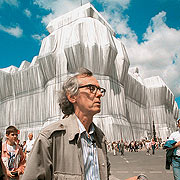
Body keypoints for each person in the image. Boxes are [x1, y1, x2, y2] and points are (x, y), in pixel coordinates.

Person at [22, 68, 111, 180]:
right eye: (92, 89)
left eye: (100, 90)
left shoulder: (100, 137)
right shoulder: (51, 138)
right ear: (72, 97)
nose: (99, 94)